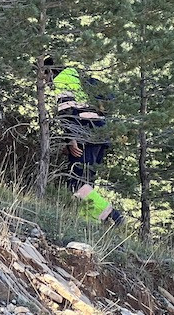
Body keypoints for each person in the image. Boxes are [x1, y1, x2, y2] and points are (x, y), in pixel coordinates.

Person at [47, 58, 123, 226]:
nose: (44, 81)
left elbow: (67, 113)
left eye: (43, 75)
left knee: (76, 183)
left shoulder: (62, 79)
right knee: (87, 182)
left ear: (50, 71)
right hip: (101, 135)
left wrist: (71, 139)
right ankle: (87, 223)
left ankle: (112, 215)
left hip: (84, 136)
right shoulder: (80, 77)